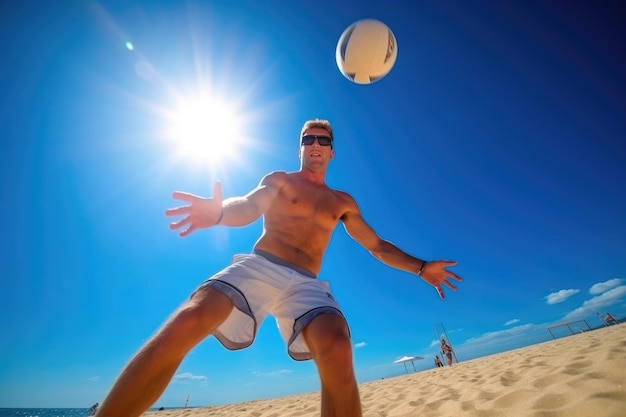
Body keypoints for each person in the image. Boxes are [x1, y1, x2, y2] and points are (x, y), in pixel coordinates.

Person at [94, 119, 463, 417]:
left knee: (337, 345)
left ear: (332, 152)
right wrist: (220, 212)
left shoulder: (342, 201)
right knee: (190, 319)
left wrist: (421, 268)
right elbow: (250, 205)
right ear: (300, 148)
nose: (315, 144)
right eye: (308, 139)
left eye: (322, 139)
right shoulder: (281, 180)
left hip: (306, 285)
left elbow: (377, 246)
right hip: (260, 267)